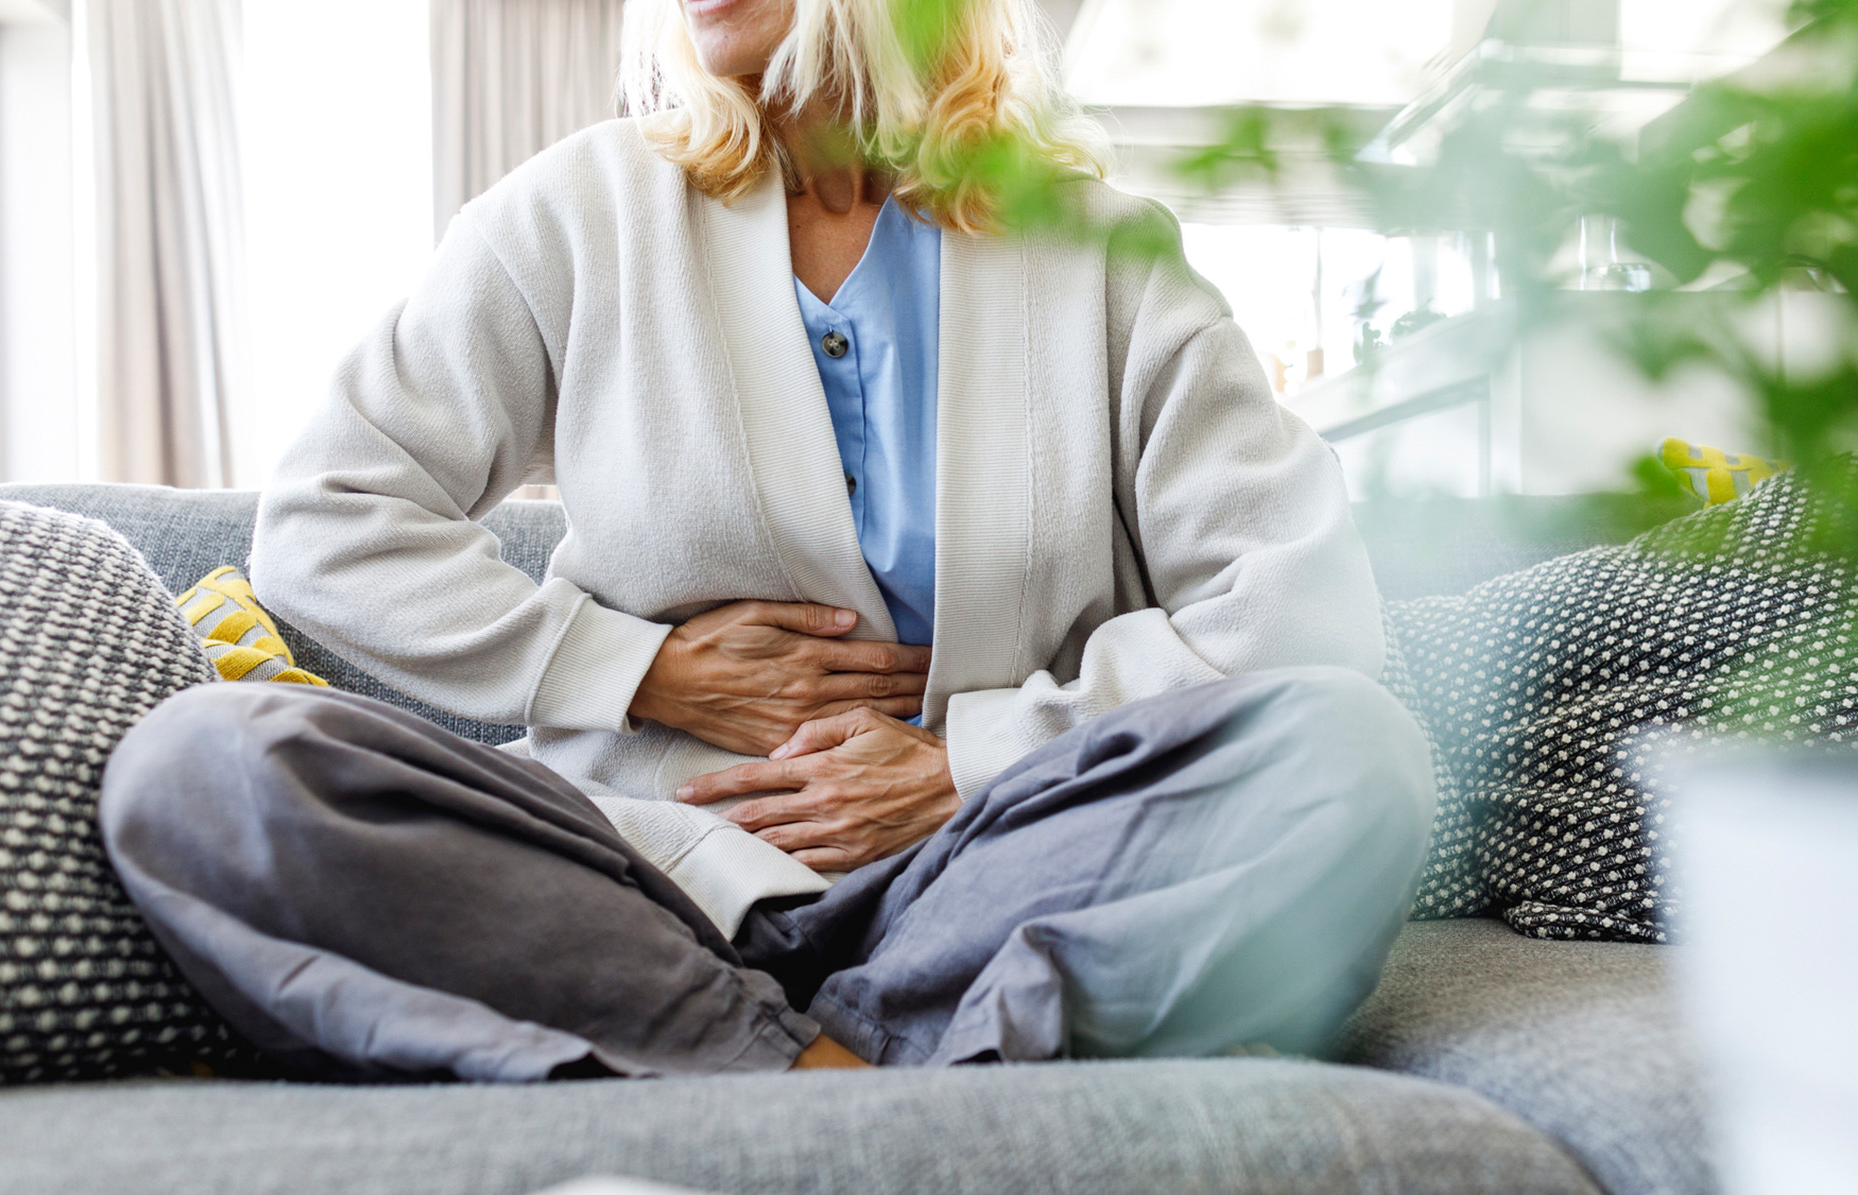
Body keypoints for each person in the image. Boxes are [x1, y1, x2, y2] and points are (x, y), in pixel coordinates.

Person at [97, 0, 1436, 1081]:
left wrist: (966, 760)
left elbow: (1297, 611)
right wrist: (636, 670)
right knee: (207, 768)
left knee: (1349, 750)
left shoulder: (1101, 255)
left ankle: (807, 1050)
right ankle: (837, 1069)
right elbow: (328, 518)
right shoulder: (573, 212)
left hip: (978, 873)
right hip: (631, 868)